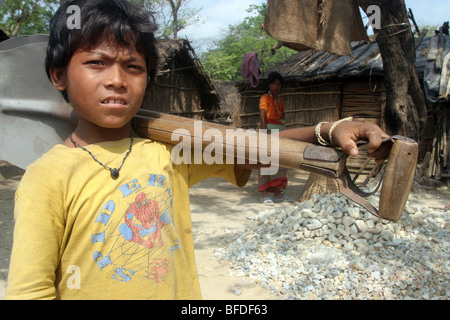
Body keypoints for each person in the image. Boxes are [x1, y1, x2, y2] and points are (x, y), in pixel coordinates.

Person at [5, 0, 388, 300]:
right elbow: (30, 291)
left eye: (133, 67)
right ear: (58, 76)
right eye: (96, 63)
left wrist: (328, 129)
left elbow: (254, 149)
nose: (117, 80)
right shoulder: (48, 178)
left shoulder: (166, 151)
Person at [258, 72, 290, 205]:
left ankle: (278, 193)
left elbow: (282, 116)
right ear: (269, 84)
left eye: (279, 84)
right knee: (267, 161)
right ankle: (264, 194)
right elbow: (262, 116)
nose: (276, 87)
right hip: (269, 132)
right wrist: (265, 133)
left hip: (279, 132)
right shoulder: (265, 98)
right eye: (274, 84)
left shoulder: (279, 100)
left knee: (280, 162)